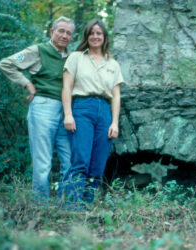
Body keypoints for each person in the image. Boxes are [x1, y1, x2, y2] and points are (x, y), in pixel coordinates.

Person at [0, 16, 75, 203]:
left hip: (66, 112)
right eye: (61, 31)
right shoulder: (38, 50)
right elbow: (6, 64)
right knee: (43, 160)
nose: (64, 36)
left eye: (68, 33)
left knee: (70, 160)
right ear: (52, 32)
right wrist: (27, 84)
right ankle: (41, 206)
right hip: (43, 108)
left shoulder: (73, 57)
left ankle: (67, 203)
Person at [62, 19, 123, 208]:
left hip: (104, 111)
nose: (95, 36)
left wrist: (114, 122)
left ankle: (86, 206)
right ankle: (72, 206)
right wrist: (68, 114)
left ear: (104, 37)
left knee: (97, 164)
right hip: (82, 108)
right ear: (86, 36)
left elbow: (116, 96)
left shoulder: (112, 63)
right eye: (92, 33)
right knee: (81, 159)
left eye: (99, 33)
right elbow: (67, 87)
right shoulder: (76, 57)